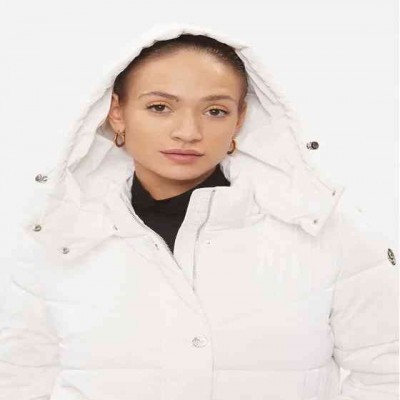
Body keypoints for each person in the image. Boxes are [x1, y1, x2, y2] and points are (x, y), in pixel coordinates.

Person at [1, 23, 398, 400]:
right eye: (160, 107)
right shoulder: (56, 236)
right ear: (116, 112)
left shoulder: (325, 229)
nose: (188, 132)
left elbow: (386, 376)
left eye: (215, 111)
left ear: (240, 119)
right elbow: (19, 381)